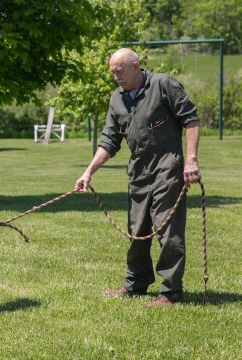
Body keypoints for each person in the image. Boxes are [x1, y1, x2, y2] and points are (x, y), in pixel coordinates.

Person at [74, 48, 201, 307]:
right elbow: (109, 141)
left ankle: (170, 292)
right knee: (136, 230)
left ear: (135, 66)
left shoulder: (163, 85)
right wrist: (89, 171)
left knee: (167, 230)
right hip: (138, 171)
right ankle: (135, 286)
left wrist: (190, 161)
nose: (116, 77)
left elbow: (191, 120)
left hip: (168, 166)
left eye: (119, 72)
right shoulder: (116, 99)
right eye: (112, 73)